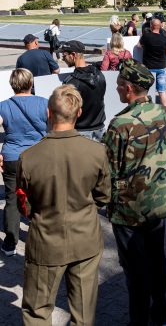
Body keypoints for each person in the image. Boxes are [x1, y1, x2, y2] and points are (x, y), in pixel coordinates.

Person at [17, 84, 110, 325]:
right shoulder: (97, 152)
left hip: (46, 241)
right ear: (79, 113)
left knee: (37, 310)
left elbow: (24, 206)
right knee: (83, 313)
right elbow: (103, 196)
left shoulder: (29, 157)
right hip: (86, 240)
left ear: (48, 113)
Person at [103, 59, 166, 326]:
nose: (118, 90)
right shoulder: (165, 114)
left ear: (130, 88)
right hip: (156, 203)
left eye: (120, 85)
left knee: (136, 272)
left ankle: (139, 320)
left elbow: (108, 168)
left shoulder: (121, 123)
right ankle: (162, 314)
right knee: (157, 261)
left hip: (127, 209)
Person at [0, 69, 48, 257]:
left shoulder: (3, 106)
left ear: (12, 85)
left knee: (12, 198)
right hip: (39, 157)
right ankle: (41, 239)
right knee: (40, 197)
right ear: (31, 83)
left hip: (12, 157)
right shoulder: (44, 103)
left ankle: (10, 242)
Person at [61, 40, 107, 141]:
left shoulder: (71, 83)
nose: (62, 58)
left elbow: (67, 113)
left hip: (81, 133)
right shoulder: (100, 75)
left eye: (64, 55)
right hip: (101, 130)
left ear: (73, 55)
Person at [139, 18, 166, 107]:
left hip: (149, 68)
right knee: (162, 91)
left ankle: (146, 112)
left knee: (146, 91)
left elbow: (139, 45)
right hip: (161, 67)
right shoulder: (164, 39)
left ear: (151, 26)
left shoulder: (146, 36)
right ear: (160, 26)